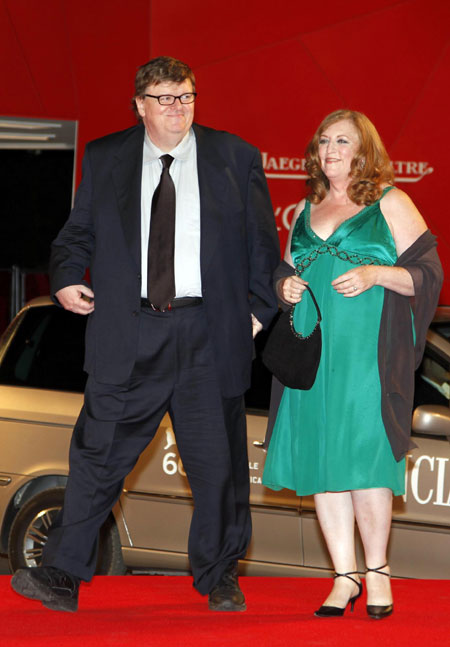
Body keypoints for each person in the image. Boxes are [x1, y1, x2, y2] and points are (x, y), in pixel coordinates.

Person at [11, 56, 280, 613]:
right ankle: (62, 573)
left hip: (208, 333)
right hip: (129, 331)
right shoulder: (106, 158)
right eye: (164, 98)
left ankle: (220, 576)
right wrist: (64, 279)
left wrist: (255, 315)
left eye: (185, 96)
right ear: (140, 106)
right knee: (96, 457)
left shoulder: (235, 157)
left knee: (219, 466)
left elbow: (262, 250)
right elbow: (75, 235)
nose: (177, 108)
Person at [262, 110, 442, 619]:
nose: (331, 148)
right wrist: (284, 286)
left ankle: (378, 572)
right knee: (324, 466)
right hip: (313, 358)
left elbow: (427, 275)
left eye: (343, 140)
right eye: (324, 140)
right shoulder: (305, 209)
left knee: (366, 464)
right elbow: (286, 269)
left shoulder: (390, 202)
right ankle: (343, 577)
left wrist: (375, 273)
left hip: (368, 360)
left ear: (364, 150)